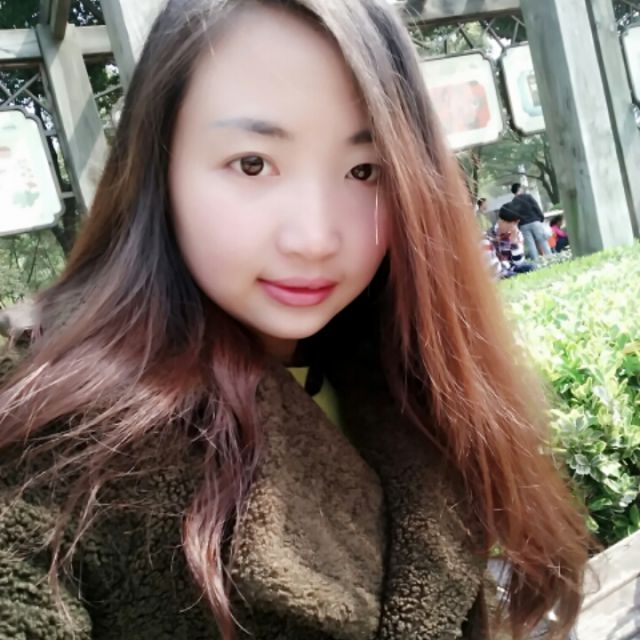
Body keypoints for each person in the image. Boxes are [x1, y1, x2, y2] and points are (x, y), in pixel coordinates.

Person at [0, 2, 589, 639]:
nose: (314, 238)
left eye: (364, 171)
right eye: (253, 163)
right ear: (157, 167)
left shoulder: (402, 375)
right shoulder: (51, 429)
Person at [483, 207, 536, 279]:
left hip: (511, 267)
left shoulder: (517, 234)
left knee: (532, 267)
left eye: (515, 224)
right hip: (497, 269)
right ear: (501, 221)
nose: (513, 227)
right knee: (512, 275)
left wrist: (514, 242)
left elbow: (519, 262)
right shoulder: (488, 236)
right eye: (511, 224)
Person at [508, 183, 552, 260]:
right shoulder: (528, 197)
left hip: (523, 225)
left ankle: (536, 261)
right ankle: (550, 258)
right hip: (534, 221)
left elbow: (514, 216)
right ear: (519, 188)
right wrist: (541, 217)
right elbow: (536, 206)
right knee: (542, 241)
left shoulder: (513, 202)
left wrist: (519, 226)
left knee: (530, 244)